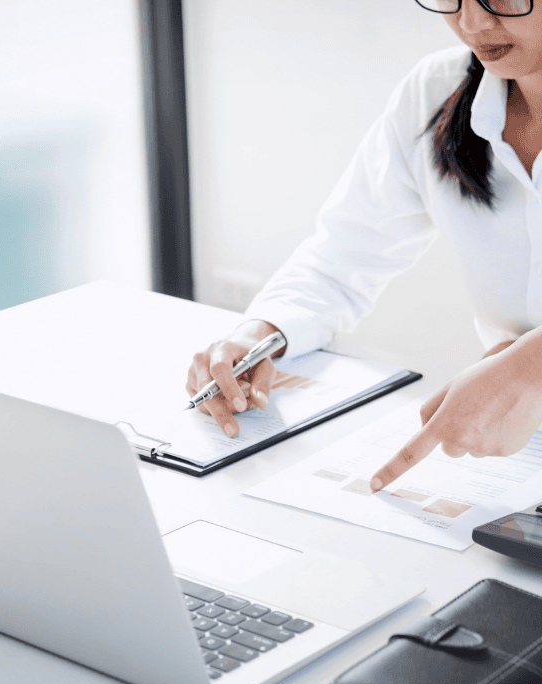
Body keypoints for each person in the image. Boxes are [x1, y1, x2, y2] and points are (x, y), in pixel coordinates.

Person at [186, 0, 542, 493]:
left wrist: (532, 363)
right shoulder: (433, 91)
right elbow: (343, 253)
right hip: (508, 453)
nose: (473, 22)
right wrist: (260, 335)